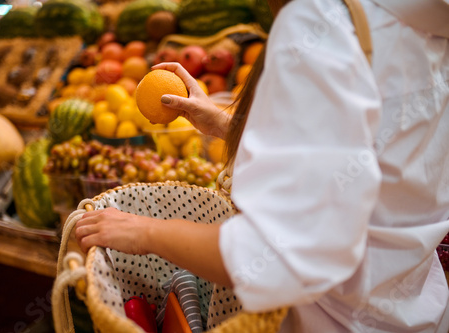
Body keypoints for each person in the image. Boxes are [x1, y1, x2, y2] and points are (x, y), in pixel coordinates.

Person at [75, 0, 449, 331]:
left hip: (327, 320)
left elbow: (271, 255)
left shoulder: (321, 21)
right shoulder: (418, 17)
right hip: (414, 309)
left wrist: (145, 233)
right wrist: (224, 124)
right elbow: (365, 150)